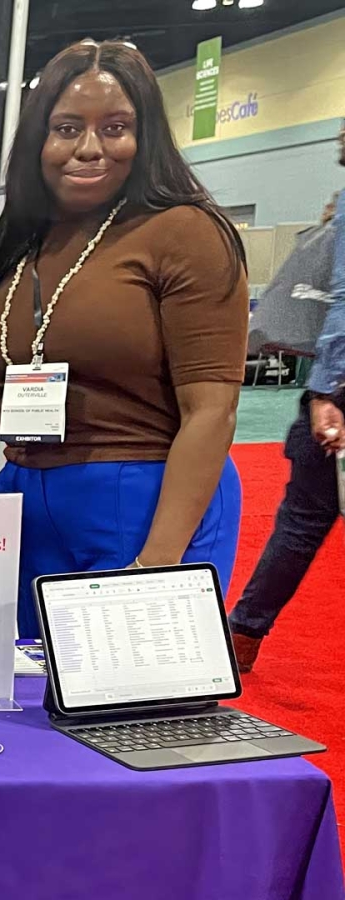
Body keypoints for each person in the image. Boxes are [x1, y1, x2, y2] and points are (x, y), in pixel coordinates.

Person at [0, 40, 248, 636]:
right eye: (67, 127)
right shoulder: (24, 242)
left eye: (115, 127)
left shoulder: (185, 232)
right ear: (38, 139)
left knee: (126, 706)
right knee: (28, 707)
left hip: (144, 500)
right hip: (25, 501)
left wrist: (157, 565)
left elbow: (213, 412)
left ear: (146, 137)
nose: (90, 148)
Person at [227, 119, 345, 671]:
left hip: (338, 390)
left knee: (302, 520)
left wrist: (326, 387)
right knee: (304, 519)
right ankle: (244, 633)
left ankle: (244, 636)